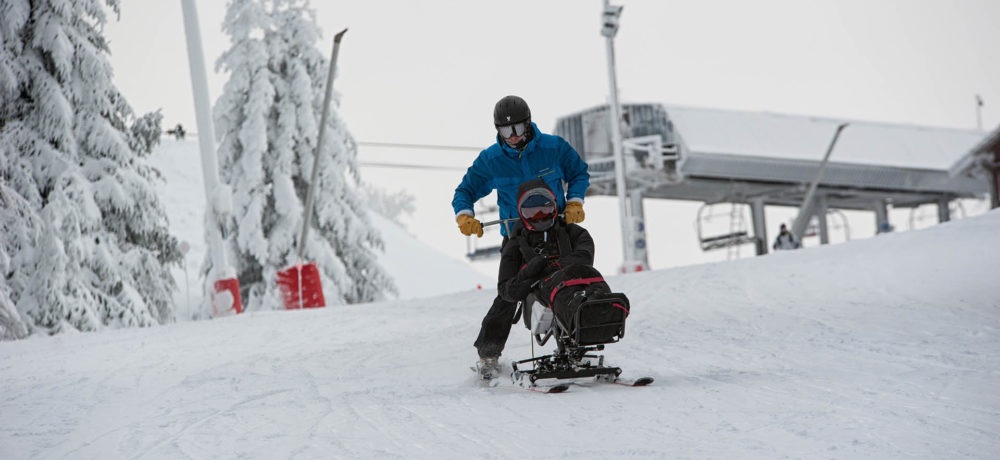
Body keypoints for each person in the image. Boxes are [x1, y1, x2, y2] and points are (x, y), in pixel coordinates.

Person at [452, 95, 590, 378]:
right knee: (508, 294)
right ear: (497, 131)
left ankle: (572, 346)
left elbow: (578, 173)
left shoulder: (553, 148)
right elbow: (465, 190)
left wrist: (575, 201)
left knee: (568, 282)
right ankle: (489, 354)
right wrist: (465, 215)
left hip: (557, 229)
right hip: (517, 237)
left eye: (517, 129)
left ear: (528, 124)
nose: (513, 137)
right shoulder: (491, 160)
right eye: (505, 131)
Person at [476, 180, 595, 379]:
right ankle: (489, 355)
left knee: (583, 289)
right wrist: (528, 273)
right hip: (534, 287)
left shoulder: (571, 232)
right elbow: (505, 288)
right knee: (503, 303)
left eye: (545, 209)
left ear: (554, 208)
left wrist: (552, 267)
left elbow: (585, 255)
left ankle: (578, 344)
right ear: (522, 214)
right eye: (532, 213)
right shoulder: (516, 244)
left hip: (564, 281)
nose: (539, 217)